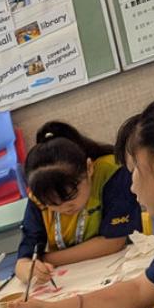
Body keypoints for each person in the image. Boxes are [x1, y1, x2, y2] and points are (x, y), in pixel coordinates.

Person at [8, 102, 154, 308]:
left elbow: (116, 247)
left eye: (136, 172)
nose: (132, 187)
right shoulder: (38, 198)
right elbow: (141, 290)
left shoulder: (108, 176)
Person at [14, 121, 141, 285]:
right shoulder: (41, 194)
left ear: (89, 168)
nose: (64, 208)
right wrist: (25, 267)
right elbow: (26, 252)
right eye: (52, 204)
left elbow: (113, 242)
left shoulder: (111, 172)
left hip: (125, 266)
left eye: (70, 197)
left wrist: (46, 258)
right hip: (74, 277)